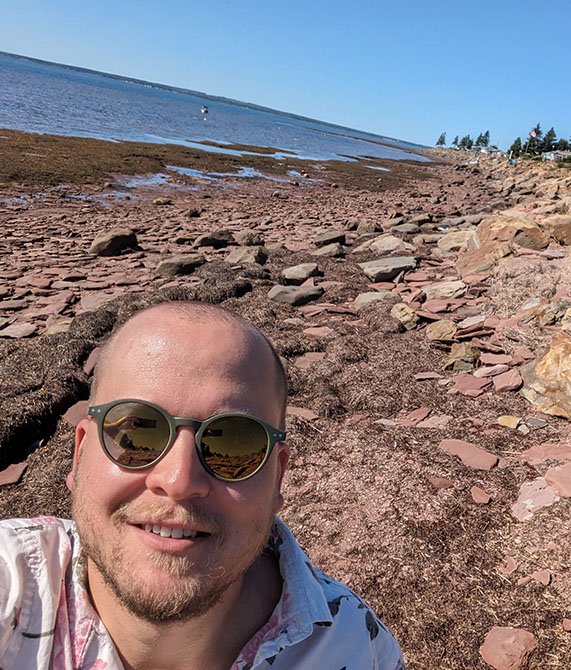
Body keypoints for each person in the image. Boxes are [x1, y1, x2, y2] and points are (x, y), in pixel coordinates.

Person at [0, 301, 404, 669]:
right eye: (138, 434)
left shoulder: (355, 647)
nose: (179, 482)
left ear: (278, 477)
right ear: (80, 455)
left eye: (232, 441)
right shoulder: (11, 580)